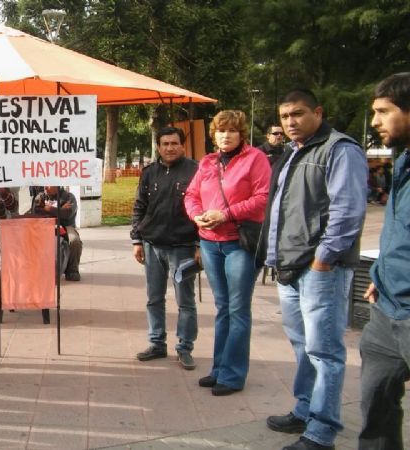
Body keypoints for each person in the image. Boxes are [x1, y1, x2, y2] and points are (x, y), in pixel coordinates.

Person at [263, 89, 367, 450]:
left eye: (298, 114)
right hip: (290, 265)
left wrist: (324, 259)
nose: (290, 122)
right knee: (303, 347)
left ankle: (322, 431)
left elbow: (348, 210)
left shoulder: (341, 149)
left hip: (321, 269)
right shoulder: (293, 152)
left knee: (325, 352)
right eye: (285, 116)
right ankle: (305, 410)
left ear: (318, 112)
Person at [184, 110, 271, 396]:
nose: (225, 135)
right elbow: (191, 195)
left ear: (241, 133)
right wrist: (197, 216)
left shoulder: (255, 158)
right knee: (223, 308)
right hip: (210, 242)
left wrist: (226, 214)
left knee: (238, 309)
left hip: (238, 242)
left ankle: (233, 375)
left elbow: (262, 198)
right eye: (221, 131)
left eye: (232, 130)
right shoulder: (208, 162)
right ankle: (219, 368)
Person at [359, 72, 410, 450]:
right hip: (385, 309)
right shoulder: (403, 160)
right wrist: (382, 273)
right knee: (375, 404)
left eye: (383, 111)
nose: (375, 121)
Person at [132, 126, 200, 370]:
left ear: (182, 145)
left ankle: (185, 347)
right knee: (154, 298)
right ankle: (157, 343)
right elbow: (139, 206)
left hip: (183, 247)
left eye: (174, 143)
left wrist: (200, 245)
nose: (169, 148)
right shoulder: (149, 172)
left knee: (185, 301)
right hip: (151, 245)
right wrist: (136, 240)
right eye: (165, 144)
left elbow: (203, 208)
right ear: (158, 147)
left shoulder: (196, 171)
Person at [32, 185, 83, 281]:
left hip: (66, 226)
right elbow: (36, 212)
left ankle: (72, 270)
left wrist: (48, 209)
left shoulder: (69, 197)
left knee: (75, 241)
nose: (45, 187)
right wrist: (59, 210)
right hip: (45, 226)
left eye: (48, 185)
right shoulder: (40, 196)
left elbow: (67, 213)